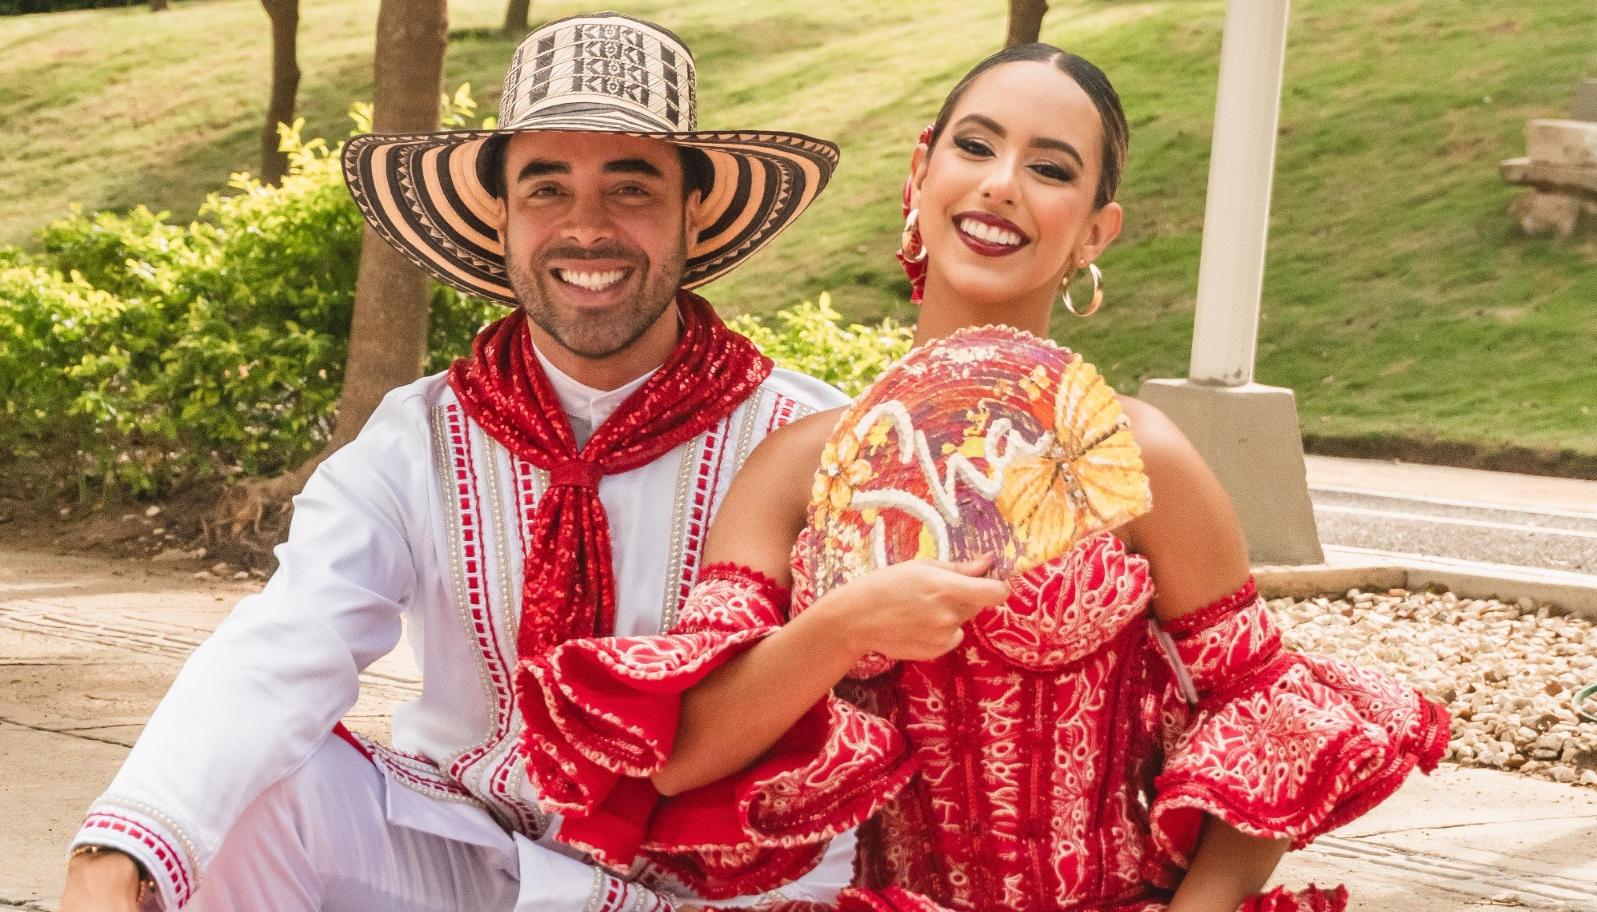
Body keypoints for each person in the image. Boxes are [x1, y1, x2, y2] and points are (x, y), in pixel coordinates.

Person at [518, 43, 1451, 912]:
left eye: (1050, 169)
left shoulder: (1140, 455)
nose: (1002, 186)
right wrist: (846, 624)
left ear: (1094, 231)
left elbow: (1271, 724)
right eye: (976, 146)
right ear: (920, 175)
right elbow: (681, 758)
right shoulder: (802, 465)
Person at [60, 13, 867, 912]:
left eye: (631, 188)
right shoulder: (423, 433)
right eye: (545, 189)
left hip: (715, 891)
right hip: (480, 856)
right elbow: (290, 637)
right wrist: (120, 846)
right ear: (500, 216)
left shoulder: (812, 438)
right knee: (248, 795)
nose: (586, 228)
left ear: (696, 209)